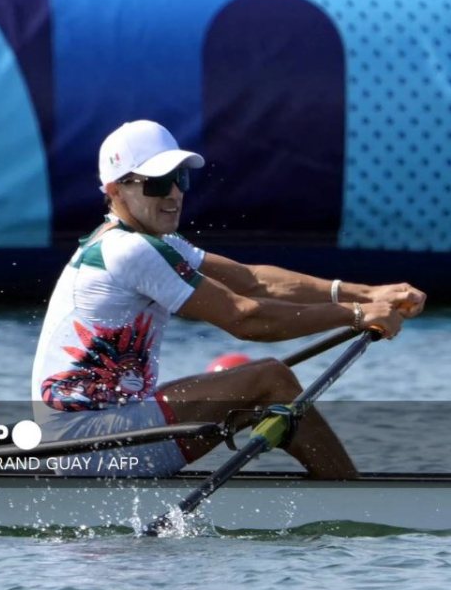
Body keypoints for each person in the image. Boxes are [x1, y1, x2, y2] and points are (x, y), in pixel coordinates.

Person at [31, 120, 425, 479]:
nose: (173, 194)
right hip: (83, 444)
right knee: (270, 380)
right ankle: (354, 503)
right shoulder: (129, 250)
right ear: (116, 190)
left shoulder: (153, 243)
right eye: (156, 183)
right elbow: (245, 318)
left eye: (179, 178)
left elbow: (253, 281)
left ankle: (343, 492)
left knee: (264, 382)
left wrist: (369, 293)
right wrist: (356, 315)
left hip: (99, 434)